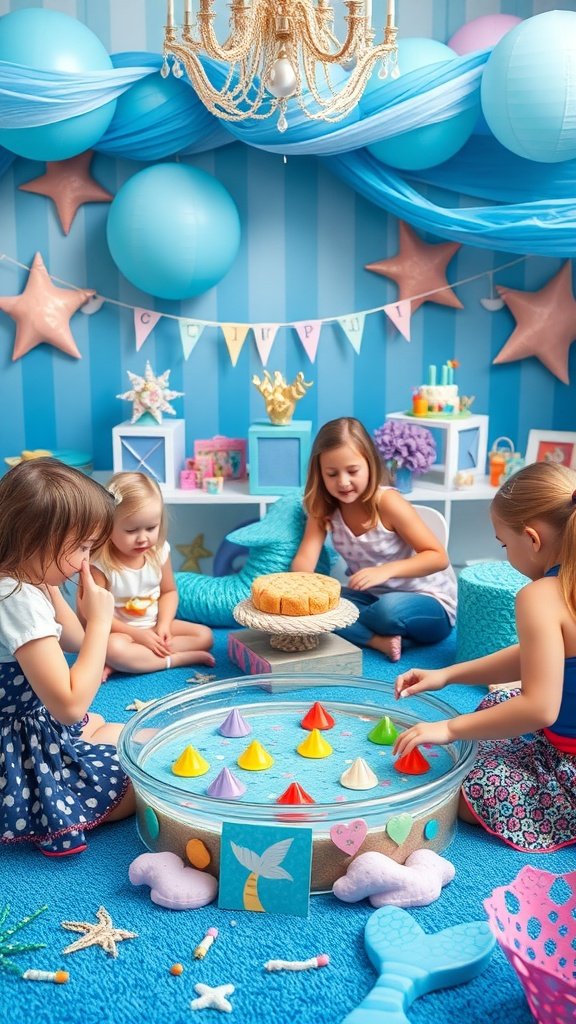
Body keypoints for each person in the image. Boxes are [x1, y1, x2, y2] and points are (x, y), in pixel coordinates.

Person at [393, 461, 576, 853]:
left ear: (532, 538)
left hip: (568, 767)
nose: (506, 554)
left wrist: (449, 728)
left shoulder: (540, 596)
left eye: (504, 544)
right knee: (497, 705)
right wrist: (447, 674)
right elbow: (539, 657)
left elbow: (541, 709)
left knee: (464, 792)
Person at [0, 458, 135, 857]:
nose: (84, 561)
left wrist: (60, 593)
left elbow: (72, 640)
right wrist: (103, 621)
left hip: (29, 723)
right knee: (138, 774)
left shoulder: (26, 576)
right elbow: (71, 706)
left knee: (122, 733)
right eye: (80, 547)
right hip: (16, 750)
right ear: (35, 541)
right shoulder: (15, 600)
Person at [291, 417, 456, 661]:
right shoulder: (323, 509)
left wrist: (386, 571)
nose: (343, 482)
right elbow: (304, 560)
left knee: (386, 612)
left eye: (352, 471)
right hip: (371, 598)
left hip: (429, 603)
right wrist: (303, 594)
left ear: (369, 464)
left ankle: (356, 627)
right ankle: (377, 641)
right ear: (320, 474)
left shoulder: (387, 503)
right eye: (332, 474)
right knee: (317, 606)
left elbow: (438, 557)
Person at [90, 472, 214, 676]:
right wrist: (139, 636)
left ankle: (133, 661)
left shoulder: (159, 552)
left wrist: (163, 625)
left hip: (155, 624)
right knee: (113, 648)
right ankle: (176, 659)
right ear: (107, 526)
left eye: (151, 528)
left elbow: (169, 592)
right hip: (121, 632)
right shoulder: (101, 564)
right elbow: (94, 615)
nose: (143, 539)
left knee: (205, 636)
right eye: (131, 531)